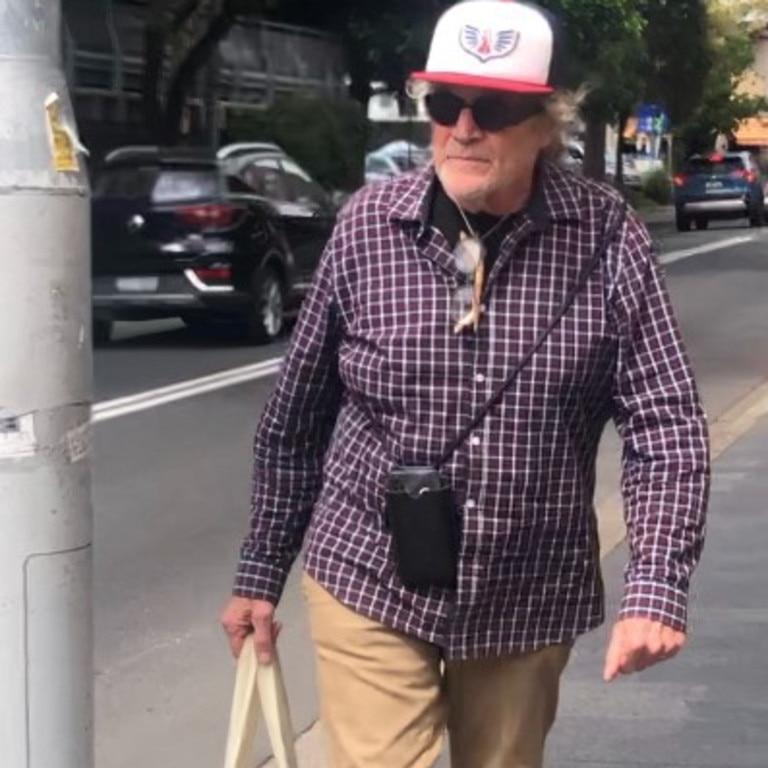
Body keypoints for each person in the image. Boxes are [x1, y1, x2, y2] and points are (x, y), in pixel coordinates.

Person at [221, 1, 711, 766]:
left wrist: (656, 585)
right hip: (369, 571)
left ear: (549, 120)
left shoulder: (609, 236)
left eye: (497, 108)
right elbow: (296, 419)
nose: (465, 128)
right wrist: (259, 574)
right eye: (446, 104)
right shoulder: (368, 226)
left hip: (528, 586)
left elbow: (665, 426)